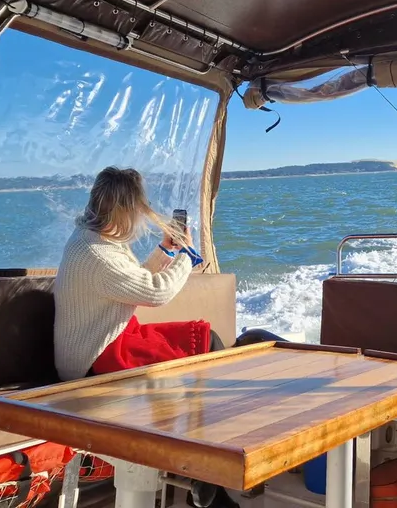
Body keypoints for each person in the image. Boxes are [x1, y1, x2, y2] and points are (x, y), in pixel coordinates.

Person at [54, 166, 277, 508]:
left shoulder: (93, 240)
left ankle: (206, 476)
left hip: (108, 337)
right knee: (209, 353)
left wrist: (166, 251)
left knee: (208, 342)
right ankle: (206, 477)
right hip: (95, 356)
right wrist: (186, 256)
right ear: (125, 209)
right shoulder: (94, 253)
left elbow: (131, 281)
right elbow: (155, 293)